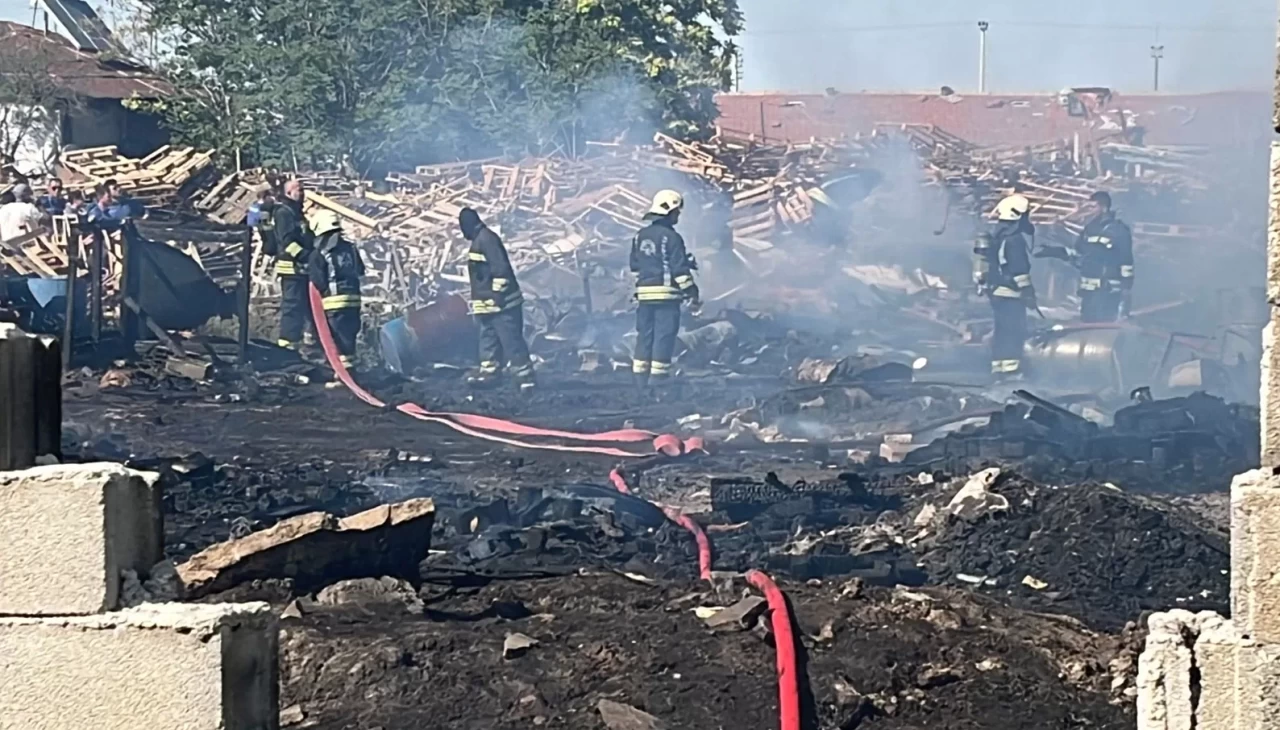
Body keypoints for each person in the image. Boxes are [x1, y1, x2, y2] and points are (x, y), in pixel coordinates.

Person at [630, 189, 700, 386]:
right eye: (676, 212)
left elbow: (635, 265)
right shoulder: (672, 237)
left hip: (644, 296)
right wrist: (691, 290)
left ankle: (639, 379)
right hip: (666, 297)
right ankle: (658, 379)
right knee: (664, 335)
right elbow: (679, 271)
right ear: (669, 212)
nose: (678, 216)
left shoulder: (639, 236)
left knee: (644, 335)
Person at [460, 207, 533, 387]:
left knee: (511, 341)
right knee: (488, 341)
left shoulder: (487, 240)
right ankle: (490, 374)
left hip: (502, 305)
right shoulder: (479, 240)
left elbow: (501, 271)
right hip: (488, 307)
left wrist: (497, 296)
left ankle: (525, 378)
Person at [974, 194, 1036, 379]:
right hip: (1011, 293)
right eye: (1025, 215)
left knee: (1001, 331)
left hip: (996, 292)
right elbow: (1019, 270)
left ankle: (999, 368)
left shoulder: (997, 236)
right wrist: (1028, 292)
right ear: (1017, 215)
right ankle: (1011, 372)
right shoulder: (1014, 239)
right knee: (1014, 331)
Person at [308, 210, 364, 369]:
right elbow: (360, 270)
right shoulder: (351, 248)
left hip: (333, 304)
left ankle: (339, 372)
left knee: (334, 342)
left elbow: (318, 281)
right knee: (349, 339)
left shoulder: (318, 253)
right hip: (354, 301)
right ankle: (351, 371)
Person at [1073, 191, 1134, 322]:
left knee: (1104, 324)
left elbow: (1126, 259)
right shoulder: (1089, 228)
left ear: (1104, 208)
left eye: (1093, 207)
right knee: (1087, 323)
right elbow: (1079, 248)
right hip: (1088, 292)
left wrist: (1126, 286)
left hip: (1108, 290)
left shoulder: (1118, 230)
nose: (1090, 211)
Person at [271, 179, 315, 350]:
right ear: (288, 193)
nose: (302, 193)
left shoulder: (297, 213)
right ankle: (287, 344)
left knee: (308, 305)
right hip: (291, 267)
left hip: (303, 268)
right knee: (293, 305)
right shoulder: (284, 213)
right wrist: (306, 256)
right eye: (299, 190)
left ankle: (309, 342)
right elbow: (287, 242)